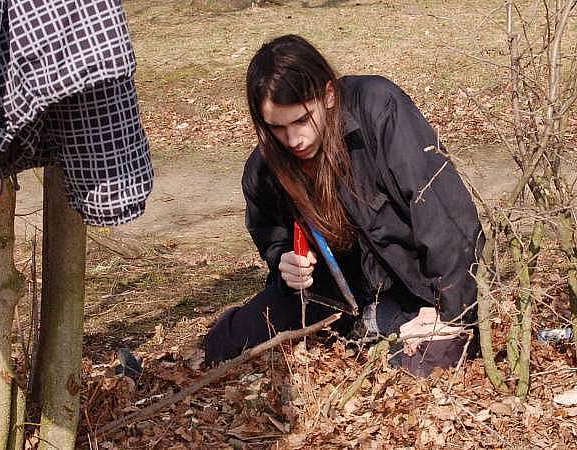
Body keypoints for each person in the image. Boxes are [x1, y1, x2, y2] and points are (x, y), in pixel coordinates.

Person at [204, 35, 483, 375]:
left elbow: (445, 216)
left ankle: (383, 329)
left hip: (419, 290)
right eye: (277, 127)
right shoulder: (265, 167)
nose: (294, 140)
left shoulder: (380, 109)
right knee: (224, 344)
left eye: (302, 121)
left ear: (329, 95)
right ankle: (367, 327)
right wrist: (284, 260)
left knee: (417, 369)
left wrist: (447, 310)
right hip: (330, 295)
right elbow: (272, 233)